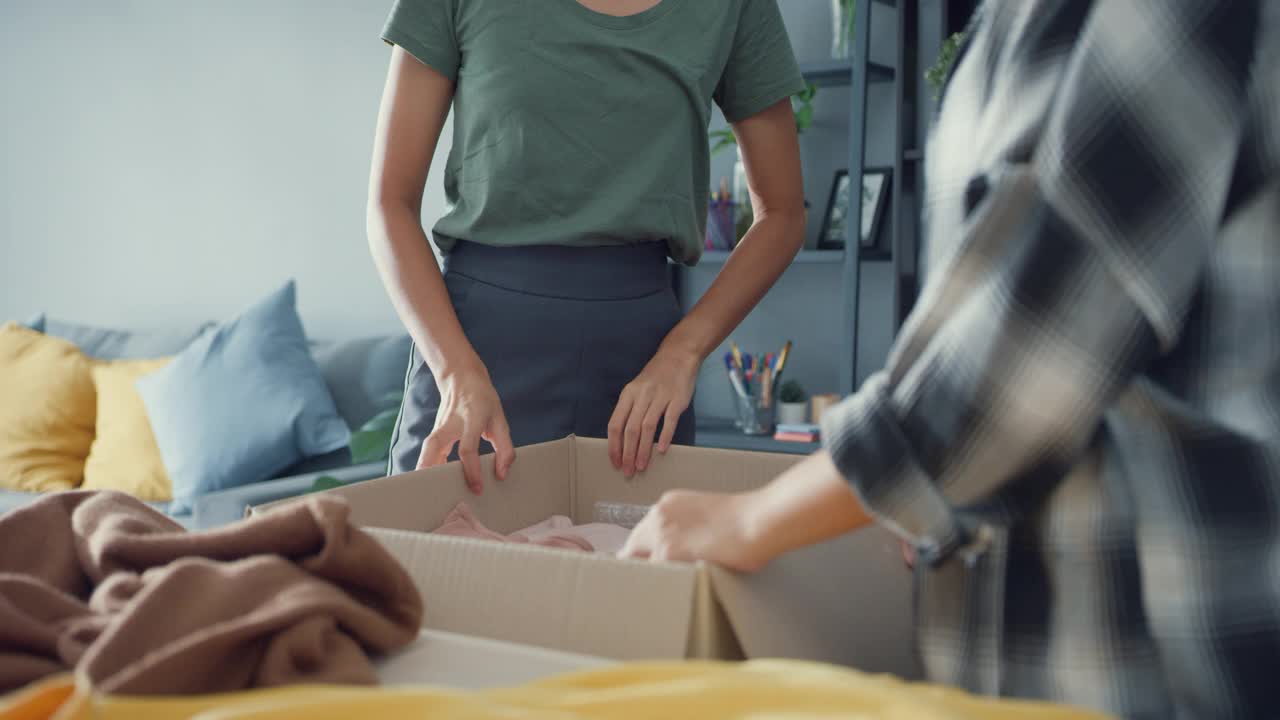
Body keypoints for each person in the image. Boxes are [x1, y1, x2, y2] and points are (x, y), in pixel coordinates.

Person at [620, 1, 1280, 718]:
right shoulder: (1007, 21)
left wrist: (755, 520)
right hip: (1021, 655)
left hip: (1153, 654)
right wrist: (921, 504)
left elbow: (1033, 337)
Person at [367, 0, 807, 493]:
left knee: (630, 567)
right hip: (475, 356)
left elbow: (784, 214)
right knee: (432, 564)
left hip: (642, 374)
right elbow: (390, 205)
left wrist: (684, 352)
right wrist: (455, 373)